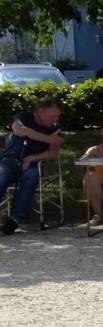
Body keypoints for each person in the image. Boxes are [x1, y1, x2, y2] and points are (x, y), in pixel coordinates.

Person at [0, 98, 63, 235]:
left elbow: (53, 153)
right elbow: (18, 130)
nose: (55, 120)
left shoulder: (55, 128)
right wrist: (49, 138)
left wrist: (31, 158)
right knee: (1, 176)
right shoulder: (23, 117)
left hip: (32, 163)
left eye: (57, 116)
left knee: (31, 176)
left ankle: (14, 220)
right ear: (40, 111)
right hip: (10, 161)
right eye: (53, 116)